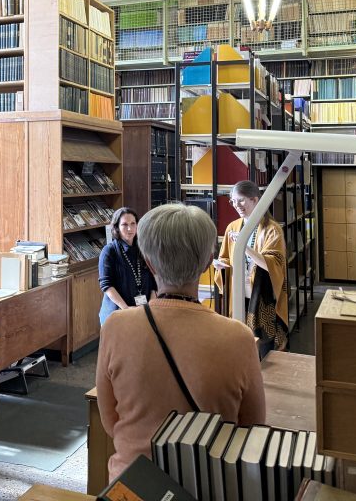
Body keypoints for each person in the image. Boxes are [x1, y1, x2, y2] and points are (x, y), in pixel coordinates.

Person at [95, 204, 265, 481]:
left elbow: (110, 421)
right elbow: (253, 428)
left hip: (133, 482)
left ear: (149, 263)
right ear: (209, 261)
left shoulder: (115, 328)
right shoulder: (240, 338)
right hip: (208, 483)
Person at [214, 180, 290, 351]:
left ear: (255, 200)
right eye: (233, 201)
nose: (236, 205)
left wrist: (244, 247)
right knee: (240, 340)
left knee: (264, 346)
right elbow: (225, 257)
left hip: (263, 296)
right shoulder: (232, 227)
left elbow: (273, 265)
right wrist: (221, 266)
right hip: (239, 292)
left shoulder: (272, 229)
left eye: (241, 200)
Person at [98, 207, 157, 326]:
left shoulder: (144, 249)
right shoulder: (109, 251)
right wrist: (126, 309)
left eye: (133, 224)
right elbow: (106, 285)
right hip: (118, 312)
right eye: (124, 225)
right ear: (117, 228)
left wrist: (151, 306)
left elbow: (154, 281)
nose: (130, 229)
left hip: (144, 312)